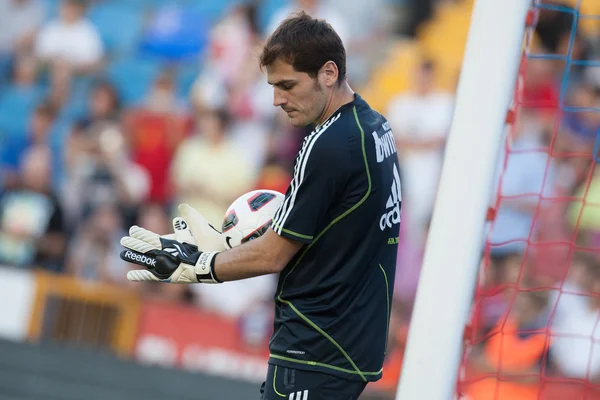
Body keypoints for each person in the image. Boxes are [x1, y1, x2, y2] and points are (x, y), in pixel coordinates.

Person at [119, 12, 401, 400]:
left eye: (287, 85)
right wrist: (222, 246)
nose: (276, 100)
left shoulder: (329, 143)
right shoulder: (373, 124)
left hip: (315, 344)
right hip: (348, 339)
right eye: (272, 86)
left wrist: (199, 266)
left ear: (329, 73)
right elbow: (331, 230)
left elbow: (272, 255)